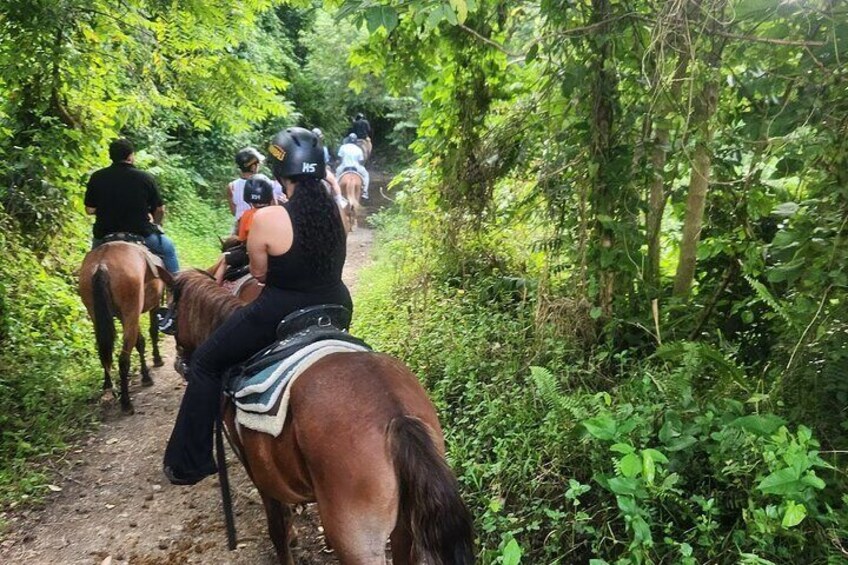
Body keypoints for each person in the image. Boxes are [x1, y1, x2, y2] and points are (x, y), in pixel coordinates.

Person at [163, 127, 351, 485]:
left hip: (280, 311)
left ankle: (189, 461)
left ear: (282, 175)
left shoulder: (269, 218)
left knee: (205, 363)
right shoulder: (337, 214)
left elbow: (260, 274)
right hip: (337, 305)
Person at [84, 138, 180, 274]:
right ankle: (176, 289)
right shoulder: (145, 178)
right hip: (140, 233)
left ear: (111, 156)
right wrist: (156, 224)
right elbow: (160, 209)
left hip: (104, 233)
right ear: (130, 156)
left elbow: (89, 209)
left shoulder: (97, 177)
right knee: (168, 248)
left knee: (91, 263)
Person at [213, 174, 276, 285]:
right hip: (274, 254)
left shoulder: (247, 215)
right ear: (269, 196)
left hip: (250, 254)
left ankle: (213, 289)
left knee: (224, 259)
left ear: (248, 197)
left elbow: (242, 239)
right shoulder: (276, 213)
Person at [227, 147, 284, 230]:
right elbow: (274, 207)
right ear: (253, 167)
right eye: (258, 164)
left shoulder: (231, 186)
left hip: (240, 228)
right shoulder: (268, 184)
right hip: (261, 227)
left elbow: (234, 212)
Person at [336, 133, 370, 200]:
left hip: (344, 167)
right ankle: (365, 192)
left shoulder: (343, 147)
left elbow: (340, 158)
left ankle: (335, 191)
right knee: (366, 175)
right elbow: (361, 161)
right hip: (356, 168)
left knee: (336, 175)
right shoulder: (358, 149)